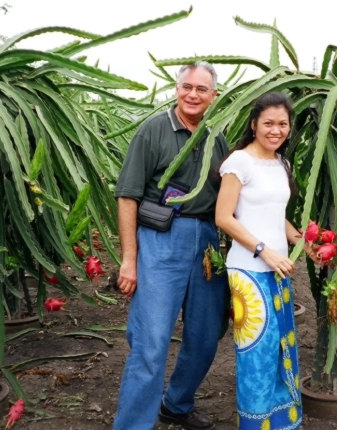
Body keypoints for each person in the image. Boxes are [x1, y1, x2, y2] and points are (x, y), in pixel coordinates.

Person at [113, 61, 229, 430]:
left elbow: (234, 193)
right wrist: (130, 259)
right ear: (176, 89)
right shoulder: (154, 130)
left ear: (214, 96)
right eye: (187, 87)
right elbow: (128, 195)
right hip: (162, 238)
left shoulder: (217, 137)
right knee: (151, 340)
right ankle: (132, 425)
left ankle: (176, 404)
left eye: (202, 89)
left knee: (206, 334)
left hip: (207, 242)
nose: (193, 94)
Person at [215, 92, 316, 430]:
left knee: (279, 349)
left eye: (283, 124)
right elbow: (224, 217)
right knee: (256, 356)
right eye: (269, 123)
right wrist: (264, 250)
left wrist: (301, 241)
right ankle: (255, 425)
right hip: (248, 270)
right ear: (254, 123)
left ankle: (282, 423)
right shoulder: (238, 162)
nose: (276, 130)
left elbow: (275, 215)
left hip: (277, 268)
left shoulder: (281, 163)